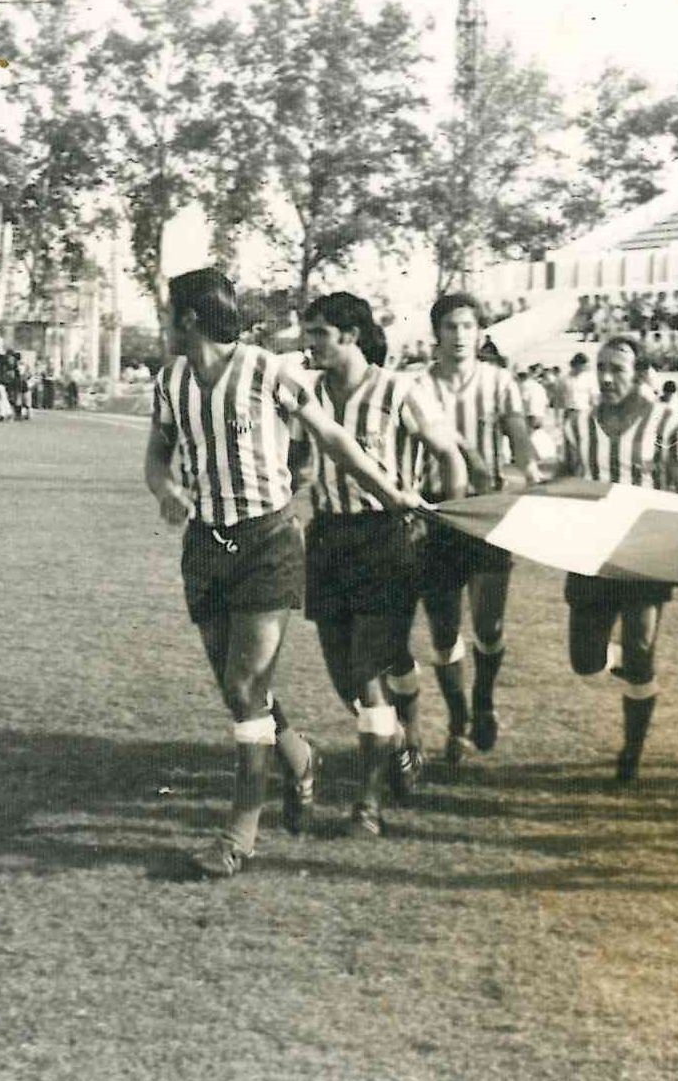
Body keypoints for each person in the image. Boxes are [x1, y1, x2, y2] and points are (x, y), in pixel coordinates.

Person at [145, 268, 423, 879]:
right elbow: (157, 452)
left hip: (269, 542)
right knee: (234, 685)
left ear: (191, 318)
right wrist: (166, 488)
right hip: (206, 546)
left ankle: (240, 831)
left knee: (246, 684)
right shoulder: (170, 382)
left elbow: (333, 440)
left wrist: (392, 493)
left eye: (170, 313)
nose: (163, 323)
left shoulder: (267, 371)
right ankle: (298, 757)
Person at [299, 292, 467, 835]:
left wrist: (448, 519)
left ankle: (366, 805)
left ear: (350, 334)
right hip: (327, 537)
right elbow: (301, 461)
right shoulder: (311, 394)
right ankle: (399, 738)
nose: (310, 342)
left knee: (368, 671)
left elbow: (448, 454)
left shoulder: (399, 391)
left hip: (385, 538)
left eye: (320, 332)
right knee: (343, 676)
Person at [413, 293, 542, 770]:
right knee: (444, 632)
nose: (460, 335)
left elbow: (523, 448)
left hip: (489, 517)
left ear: (480, 333)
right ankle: (458, 718)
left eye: (468, 326)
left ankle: (484, 700)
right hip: (440, 517)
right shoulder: (419, 387)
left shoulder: (499, 383)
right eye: (451, 326)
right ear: (437, 334)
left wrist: (522, 469)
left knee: (489, 626)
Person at [560, 335, 678, 785]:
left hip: (644, 553)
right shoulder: (579, 425)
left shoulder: (667, 424)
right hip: (592, 555)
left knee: (641, 650)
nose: (606, 377)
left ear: (640, 375)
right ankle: (612, 652)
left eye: (617, 368)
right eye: (602, 367)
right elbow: (566, 481)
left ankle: (632, 751)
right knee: (584, 661)